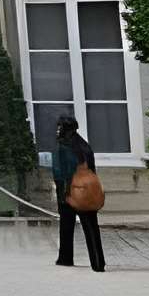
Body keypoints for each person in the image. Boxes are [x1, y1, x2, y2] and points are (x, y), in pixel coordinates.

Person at [52, 115, 105, 272]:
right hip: (87, 191)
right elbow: (92, 170)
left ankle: (65, 258)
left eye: (59, 127)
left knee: (66, 226)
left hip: (69, 192)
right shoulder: (85, 146)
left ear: (65, 129)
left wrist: (61, 193)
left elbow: (59, 172)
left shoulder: (63, 146)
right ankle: (98, 263)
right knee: (91, 228)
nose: (57, 130)